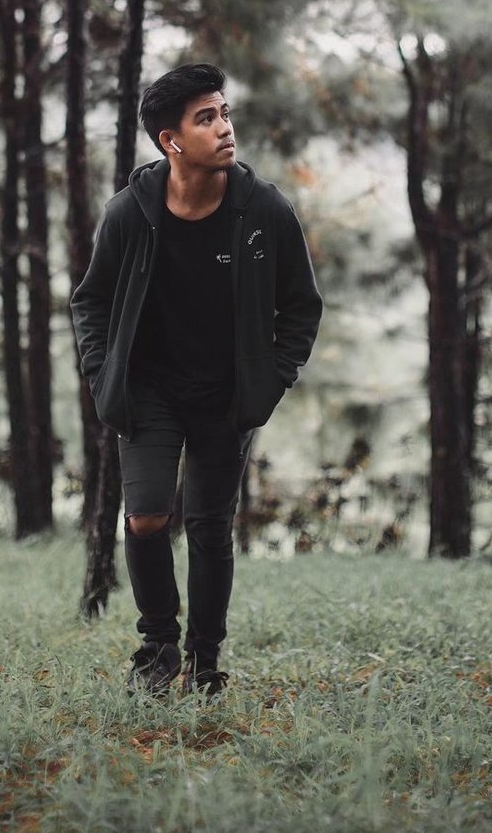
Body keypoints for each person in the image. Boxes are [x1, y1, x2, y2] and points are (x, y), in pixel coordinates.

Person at [71, 62, 323, 698]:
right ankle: (158, 647)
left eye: (224, 113)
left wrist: (270, 380)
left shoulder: (265, 210)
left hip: (226, 397)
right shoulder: (129, 214)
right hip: (148, 391)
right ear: (171, 141)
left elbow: (301, 306)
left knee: (210, 527)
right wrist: (102, 375)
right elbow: (91, 301)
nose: (225, 128)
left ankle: (204, 661)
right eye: (205, 118)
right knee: (146, 518)